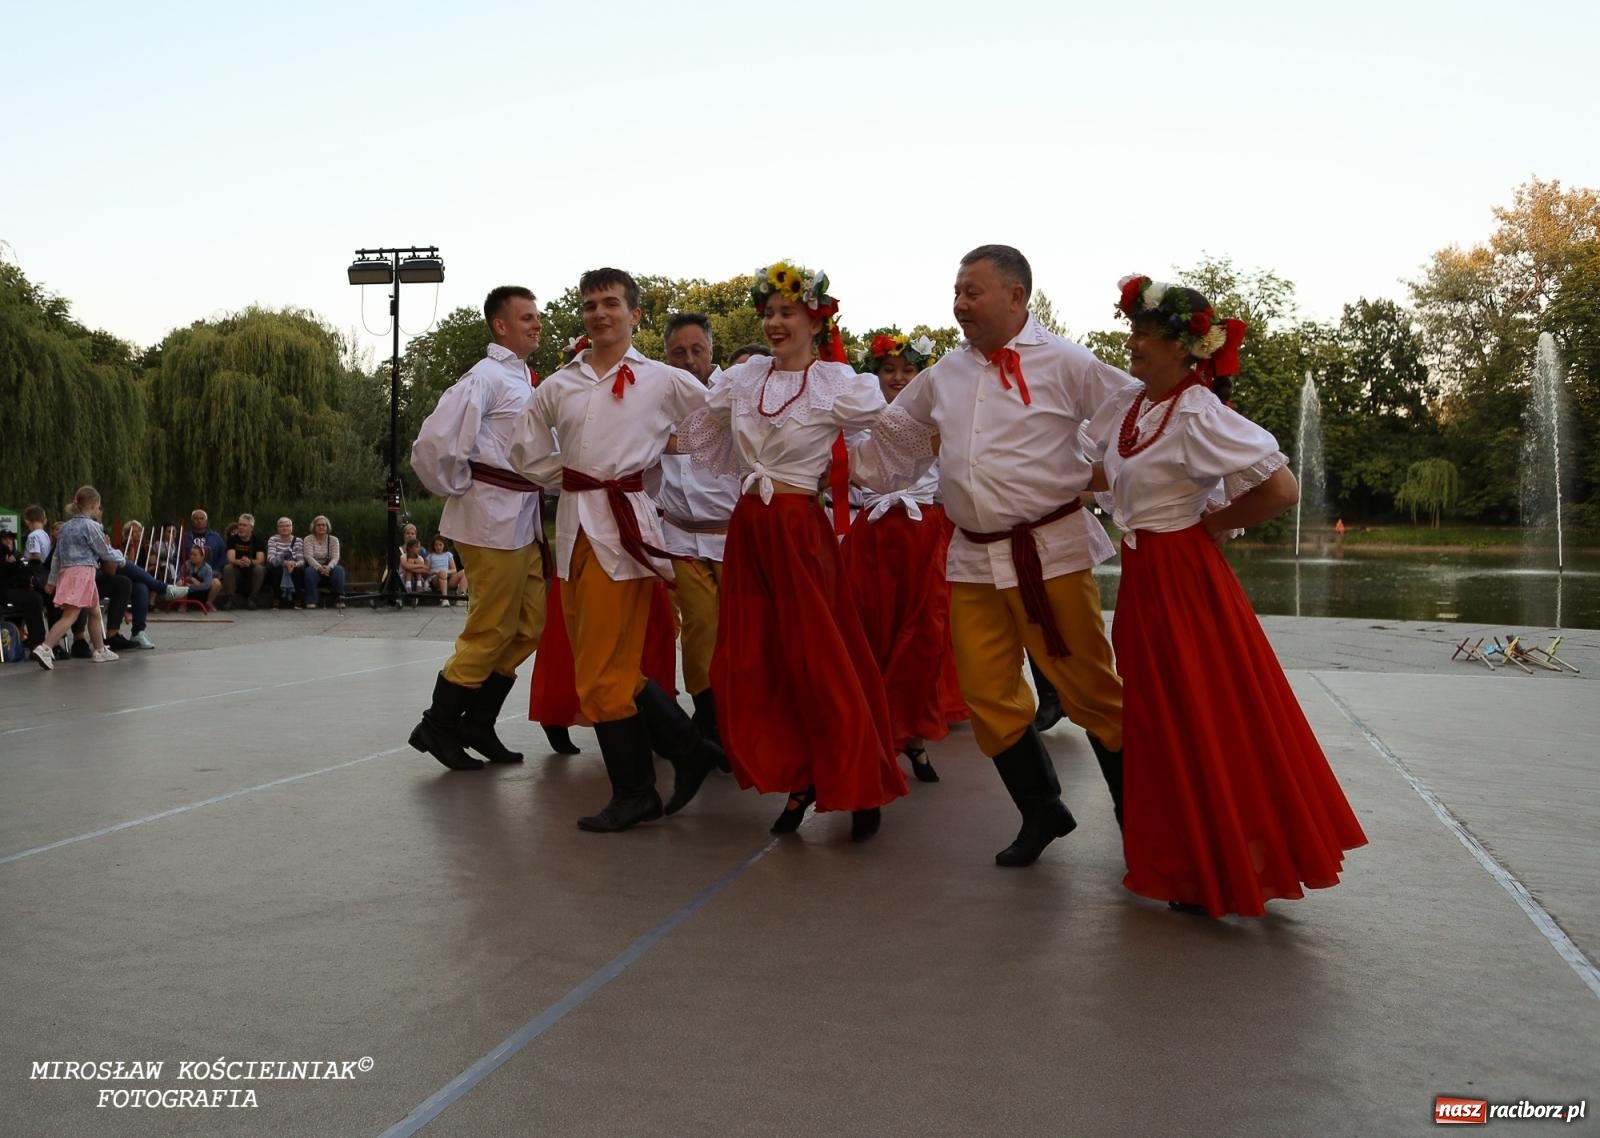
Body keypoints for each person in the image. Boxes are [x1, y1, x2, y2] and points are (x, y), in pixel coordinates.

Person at [1078, 275, 1367, 917]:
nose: (1135, 344)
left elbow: (1281, 489)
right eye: (1136, 332)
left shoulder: (1198, 411)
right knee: (1161, 717)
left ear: (1186, 349)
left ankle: (1225, 861)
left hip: (1185, 579)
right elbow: (1106, 474)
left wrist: (1210, 524)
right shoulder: (1135, 408)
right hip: (1145, 578)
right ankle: (1185, 856)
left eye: (1147, 336)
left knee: (1203, 713)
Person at [852, 245, 1130, 867]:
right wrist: (817, 459)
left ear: (1016, 296)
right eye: (956, 292)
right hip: (972, 557)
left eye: (972, 292)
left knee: (1089, 690)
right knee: (984, 694)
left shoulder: (1068, 362)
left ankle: (1139, 818)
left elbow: (1136, 423)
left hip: (1048, 554)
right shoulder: (944, 374)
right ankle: (1042, 810)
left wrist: (1103, 480)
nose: (959, 305)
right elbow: (891, 444)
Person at [676, 261, 907, 841]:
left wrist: (848, 478)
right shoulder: (742, 379)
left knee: (821, 657)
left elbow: (895, 431)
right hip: (751, 527)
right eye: (770, 313)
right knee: (758, 659)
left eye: (787, 313)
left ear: (815, 319)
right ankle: (798, 776)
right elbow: (698, 426)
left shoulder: (837, 384)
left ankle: (857, 778)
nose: (775, 323)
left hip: (799, 530)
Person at [507, 267, 722, 831]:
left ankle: (637, 791)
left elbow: (718, 429)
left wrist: (652, 462)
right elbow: (523, 450)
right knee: (605, 664)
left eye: (610, 304)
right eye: (589, 305)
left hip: (626, 530)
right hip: (576, 524)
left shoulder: (661, 380)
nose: (599, 313)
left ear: (634, 314)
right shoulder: (559, 384)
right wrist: (571, 477)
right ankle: (688, 747)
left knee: (600, 673)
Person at [408, 285, 549, 770]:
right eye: (526, 317)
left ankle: (477, 722)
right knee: (491, 627)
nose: (536, 324)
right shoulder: (485, 377)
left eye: (537, 316)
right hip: (490, 518)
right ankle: (438, 724)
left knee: (531, 625)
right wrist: (463, 485)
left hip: (522, 519)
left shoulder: (524, 380)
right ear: (500, 325)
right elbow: (433, 444)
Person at [841, 332, 969, 785]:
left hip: (925, 533)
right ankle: (875, 730)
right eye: (888, 370)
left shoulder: (938, 417)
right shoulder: (858, 417)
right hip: (873, 536)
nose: (897, 378)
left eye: (906, 371)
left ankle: (912, 734)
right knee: (872, 634)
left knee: (924, 638)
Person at [658, 311, 742, 747]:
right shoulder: (654, 401)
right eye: (678, 352)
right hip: (678, 536)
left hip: (732, 537)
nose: (689, 360)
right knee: (700, 625)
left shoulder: (736, 396)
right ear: (665, 355)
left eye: (697, 350)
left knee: (740, 629)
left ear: (712, 351)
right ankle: (707, 720)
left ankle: (741, 715)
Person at [36, 486, 120, 668]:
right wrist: (121, 558)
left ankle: (99, 650)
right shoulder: (91, 526)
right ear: (94, 505)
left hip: (70, 573)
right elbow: (104, 551)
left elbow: (56, 556)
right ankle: (45, 647)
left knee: (94, 612)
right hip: (82, 574)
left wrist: (51, 581)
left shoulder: (65, 527)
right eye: (98, 506)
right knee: (70, 615)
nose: (99, 509)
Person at [2, 528, 48, 661]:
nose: (8, 541)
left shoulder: (17, 556)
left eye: (10, 538)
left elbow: (24, 576)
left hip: (18, 590)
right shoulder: (6, 556)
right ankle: (37, 644)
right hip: (5, 591)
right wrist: (10, 565)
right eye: (4, 539)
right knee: (33, 599)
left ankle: (52, 643)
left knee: (46, 596)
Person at [221, 513, 267, 609]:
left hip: (252, 572)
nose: (241, 528)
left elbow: (261, 560)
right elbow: (230, 558)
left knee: (259, 568)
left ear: (251, 527)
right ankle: (231, 599)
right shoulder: (233, 540)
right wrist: (239, 562)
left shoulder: (257, 540)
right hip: (237, 571)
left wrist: (250, 562)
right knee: (228, 568)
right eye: (239, 525)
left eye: (244, 525)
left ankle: (253, 598)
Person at [300, 515, 346, 610]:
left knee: (339, 570)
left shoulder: (334, 540)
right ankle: (311, 601)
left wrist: (329, 567)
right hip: (314, 567)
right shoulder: (308, 539)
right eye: (318, 525)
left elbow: (336, 557)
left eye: (324, 525)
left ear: (327, 527)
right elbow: (308, 557)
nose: (321, 527)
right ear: (314, 527)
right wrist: (319, 568)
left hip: (329, 568)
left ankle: (339, 600)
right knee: (308, 571)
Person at [187, 509, 226, 607]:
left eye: (201, 518)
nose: (199, 521)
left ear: (206, 521)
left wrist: (217, 570)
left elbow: (223, 556)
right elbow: (176, 556)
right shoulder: (185, 537)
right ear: (192, 521)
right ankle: (183, 604)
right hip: (189, 573)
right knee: (179, 582)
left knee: (216, 583)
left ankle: (208, 603)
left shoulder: (216, 537)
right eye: (196, 519)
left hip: (210, 573)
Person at [264, 517, 305, 607]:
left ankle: (297, 599)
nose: (285, 528)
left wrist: (294, 564)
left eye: (287, 526)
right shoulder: (273, 540)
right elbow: (270, 558)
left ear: (292, 527)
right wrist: (285, 563)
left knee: (297, 571)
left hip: (293, 565)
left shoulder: (298, 541)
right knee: (277, 571)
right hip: (278, 565)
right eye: (281, 526)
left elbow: (301, 560)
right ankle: (276, 598)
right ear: (277, 528)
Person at [425, 535, 462, 604]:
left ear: (444, 545)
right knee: (442, 573)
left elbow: (454, 570)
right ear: (433, 546)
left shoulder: (448, 554)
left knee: (463, 572)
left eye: (440, 545)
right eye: (436, 545)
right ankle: (444, 599)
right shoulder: (430, 556)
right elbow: (427, 571)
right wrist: (437, 572)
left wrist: (446, 572)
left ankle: (462, 596)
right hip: (435, 579)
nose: (438, 547)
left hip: (447, 577)